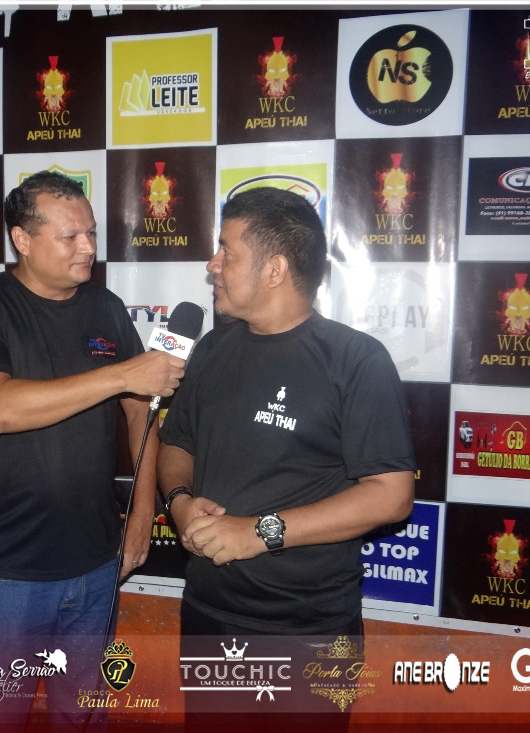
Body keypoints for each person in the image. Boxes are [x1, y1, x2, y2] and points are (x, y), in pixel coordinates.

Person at [157, 187, 416, 731]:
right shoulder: (211, 349)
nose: (212, 265)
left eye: (227, 252)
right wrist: (180, 503)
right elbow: (177, 444)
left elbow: (390, 496)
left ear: (274, 269)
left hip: (311, 630)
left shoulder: (356, 360)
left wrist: (258, 533)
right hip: (209, 614)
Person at [0, 171, 185, 732]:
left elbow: (139, 413)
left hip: (96, 564)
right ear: (22, 239)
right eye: (70, 236)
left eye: (92, 233)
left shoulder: (106, 307)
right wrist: (121, 373)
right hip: (7, 571)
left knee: (83, 717)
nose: (88, 248)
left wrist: (142, 516)